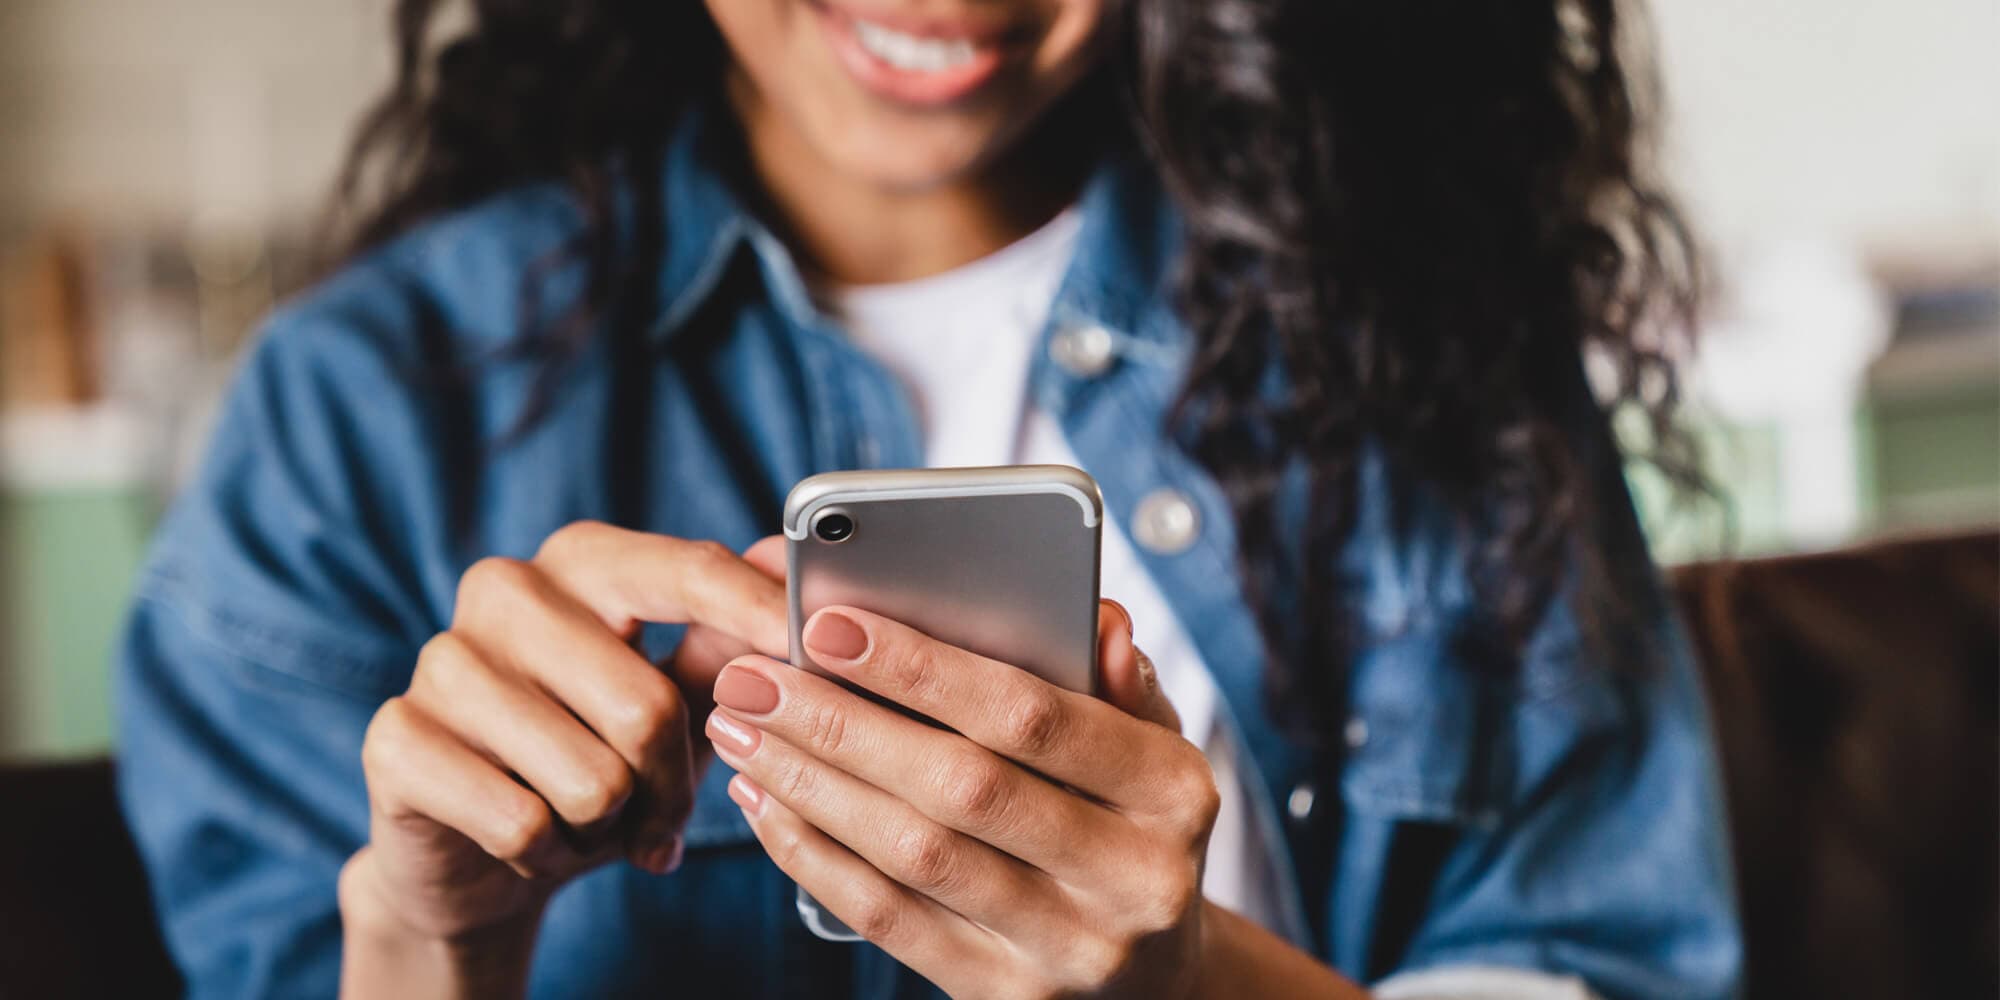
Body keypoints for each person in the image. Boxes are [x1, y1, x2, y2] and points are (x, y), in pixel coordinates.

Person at [115, 0, 1742, 997]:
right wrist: (428, 941)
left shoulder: (1424, 329)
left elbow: (1594, 960)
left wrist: (1185, 987)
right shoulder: (362, 415)